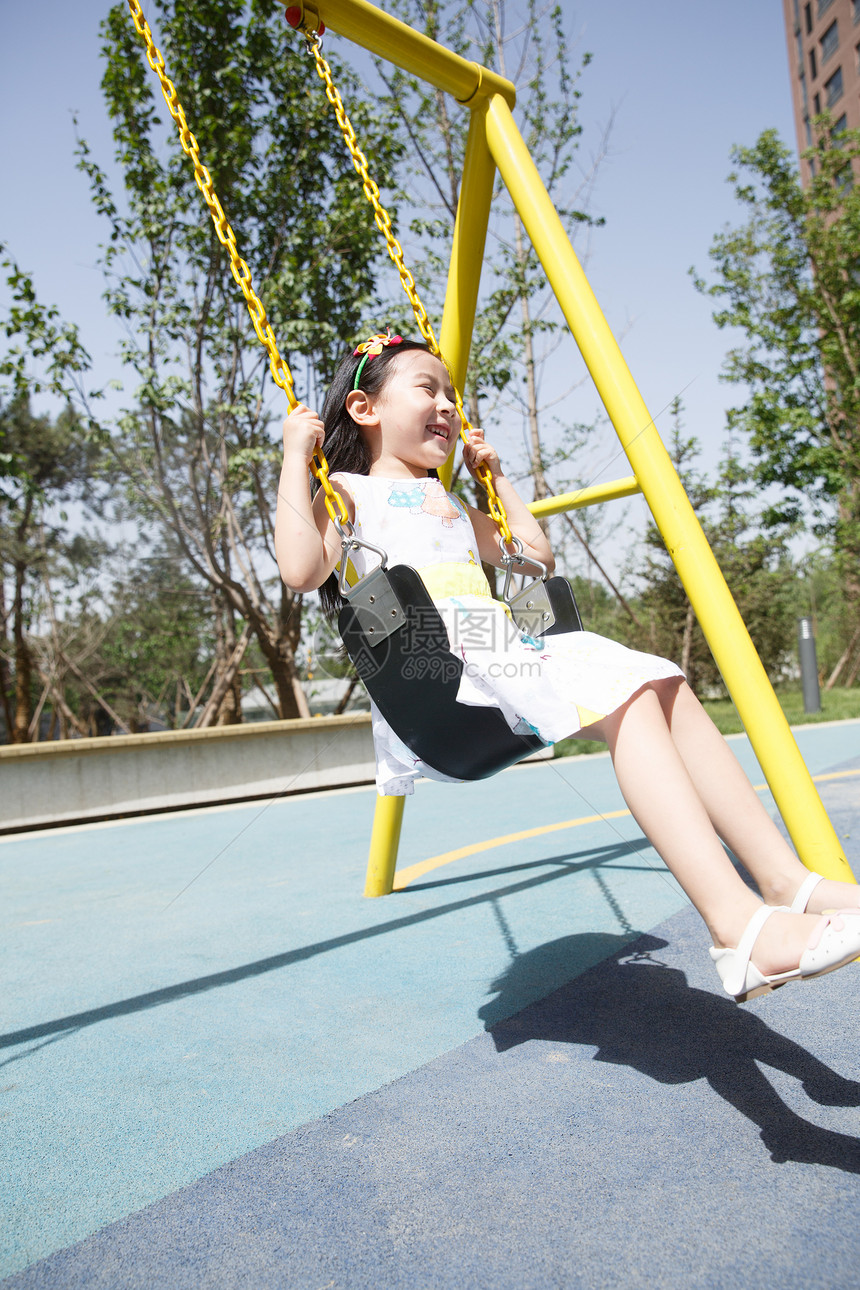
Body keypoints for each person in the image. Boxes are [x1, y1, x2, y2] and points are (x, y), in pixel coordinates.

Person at [276, 332, 860, 1003]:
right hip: (440, 661)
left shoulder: (450, 502)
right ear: (364, 408)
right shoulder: (347, 491)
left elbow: (532, 556)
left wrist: (496, 481)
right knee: (626, 691)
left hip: (496, 640)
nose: (446, 404)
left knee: (662, 681)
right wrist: (298, 457)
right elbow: (300, 567)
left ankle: (789, 883)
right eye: (427, 388)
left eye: (452, 393)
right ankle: (741, 928)